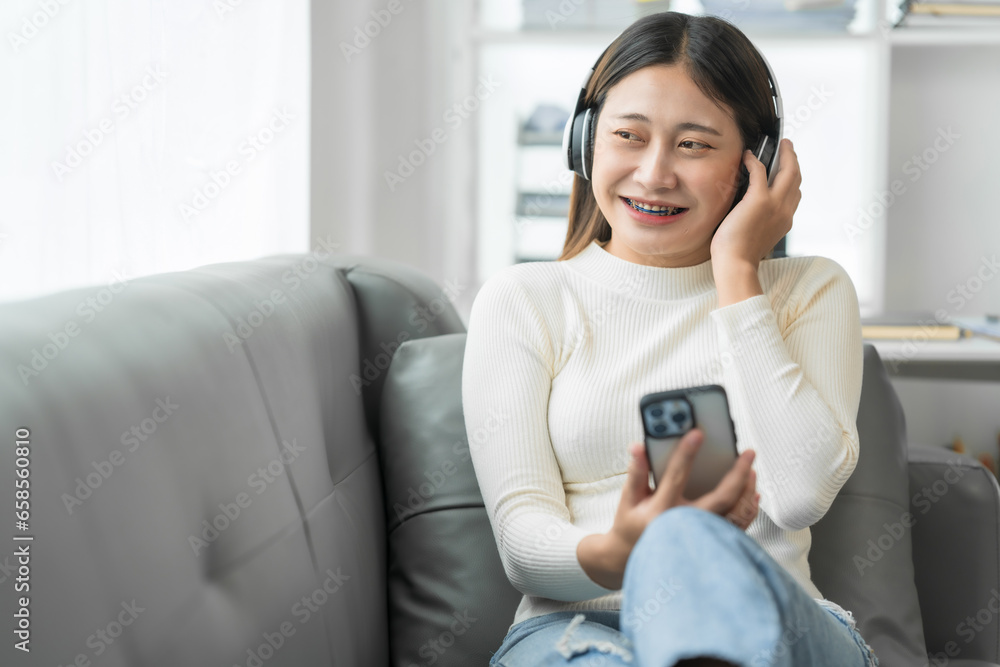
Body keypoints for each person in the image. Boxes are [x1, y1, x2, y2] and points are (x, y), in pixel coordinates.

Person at [461, 10, 878, 667]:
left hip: (773, 622)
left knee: (687, 538)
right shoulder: (523, 301)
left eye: (693, 144)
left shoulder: (809, 291)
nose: (655, 174)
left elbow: (799, 493)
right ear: (585, 142)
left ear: (755, 164)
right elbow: (522, 542)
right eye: (629, 135)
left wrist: (738, 271)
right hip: (577, 629)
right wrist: (621, 550)